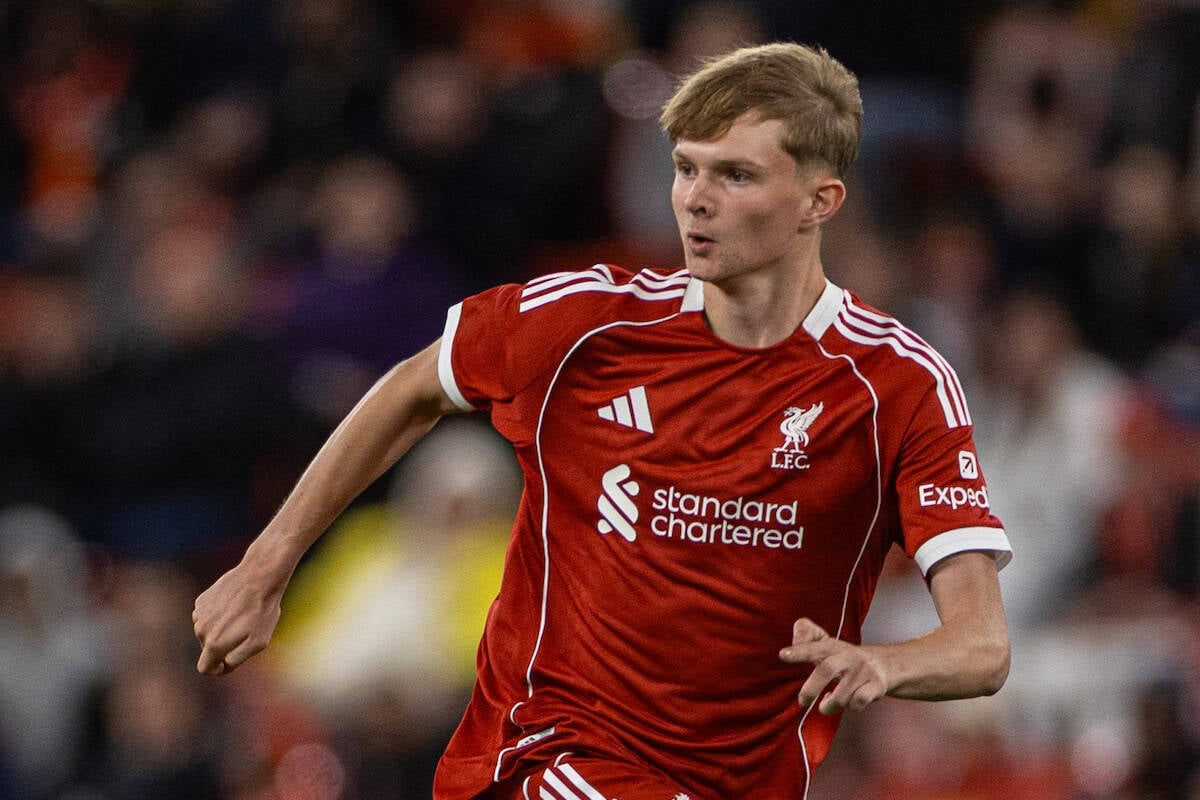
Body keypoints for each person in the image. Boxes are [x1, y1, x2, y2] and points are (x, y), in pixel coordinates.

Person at [193, 42, 1012, 799]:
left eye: (734, 176)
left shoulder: (896, 385)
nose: (695, 200)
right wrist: (269, 563)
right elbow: (415, 385)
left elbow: (981, 646)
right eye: (685, 168)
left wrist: (880, 664)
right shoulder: (590, 324)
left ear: (818, 201)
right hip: (541, 759)